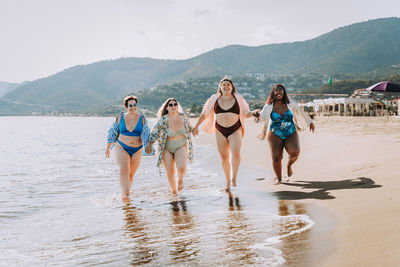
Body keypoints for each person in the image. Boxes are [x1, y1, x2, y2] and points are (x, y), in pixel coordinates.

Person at [192, 76, 259, 191]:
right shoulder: (214, 99)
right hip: (220, 130)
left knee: (236, 153)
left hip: (235, 129)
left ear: (232, 87)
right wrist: (196, 126)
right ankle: (227, 182)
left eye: (228, 84)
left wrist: (254, 113)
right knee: (224, 157)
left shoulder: (238, 98)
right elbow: (204, 113)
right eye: (224, 85)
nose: (226, 86)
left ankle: (234, 178)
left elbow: (246, 113)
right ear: (220, 87)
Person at [257, 84, 315, 184]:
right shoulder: (268, 106)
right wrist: (256, 116)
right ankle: (279, 179)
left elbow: (301, 112)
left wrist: (309, 122)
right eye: (276, 90)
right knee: (276, 157)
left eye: (281, 90)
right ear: (273, 93)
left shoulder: (291, 103)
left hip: (290, 132)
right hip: (274, 133)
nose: (279, 92)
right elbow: (261, 118)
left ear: (284, 92)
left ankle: (289, 165)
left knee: (295, 152)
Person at [106, 95, 150, 202]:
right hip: (121, 146)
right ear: (126, 107)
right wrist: (108, 148)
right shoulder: (120, 117)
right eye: (130, 105)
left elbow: (146, 134)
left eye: (134, 105)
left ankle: (124, 195)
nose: (133, 107)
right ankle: (126, 196)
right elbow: (113, 132)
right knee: (124, 169)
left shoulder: (142, 118)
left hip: (137, 149)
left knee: (130, 174)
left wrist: (148, 146)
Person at [145, 98, 193, 195]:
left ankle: (180, 180)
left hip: (181, 146)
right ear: (166, 107)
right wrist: (149, 144)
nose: (173, 106)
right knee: (170, 172)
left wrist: (194, 130)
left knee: (182, 167)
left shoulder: (183, 117)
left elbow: (190, 127)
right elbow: (154, 133)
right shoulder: (163, 120)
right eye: (170, 105)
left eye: (175, 104)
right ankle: (174, 192)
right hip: (166, 149)